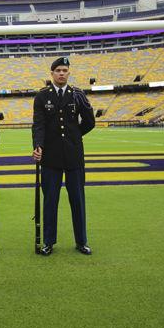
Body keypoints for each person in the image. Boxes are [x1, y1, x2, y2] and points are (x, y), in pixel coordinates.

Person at [32, 57, 95, 256]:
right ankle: (49, 242)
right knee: (50, 200)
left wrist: (75, 136)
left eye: (65, 70)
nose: (61, 73)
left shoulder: (77, 94)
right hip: (50, 157)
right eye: (58, 70)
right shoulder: (42, 96)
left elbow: (90, 121)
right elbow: (39, 125)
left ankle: (81, 241)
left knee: (77, 199)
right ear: (51, 74)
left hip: (74, 155)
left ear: (69, 73)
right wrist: (38, 146)